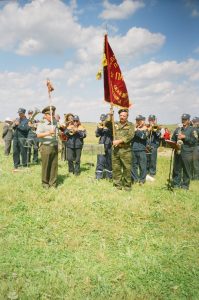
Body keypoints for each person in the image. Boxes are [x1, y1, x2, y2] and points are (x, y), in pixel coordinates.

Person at [171, 113, 198, 190]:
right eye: (182, 119)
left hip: (187, 153)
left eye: (185, 120)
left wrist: (185, 137)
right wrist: (173, 143)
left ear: (189, 120)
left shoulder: (193, 129)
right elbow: (173, 139)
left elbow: (194, 141)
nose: (183, 121)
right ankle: (176, 184)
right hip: (178, 152)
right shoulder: (178, 129)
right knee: (177, 169)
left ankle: (185, 186)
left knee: (186, 170)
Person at [112, 109, 134, 191]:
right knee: (116, 168)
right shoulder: (115, 124)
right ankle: (117, 186)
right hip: (115, 150)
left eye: (124, 116)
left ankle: (127, 186)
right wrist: (110, 115)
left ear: (127, 116)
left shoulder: (130, 125)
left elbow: (130, 136)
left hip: (126, 150)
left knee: (127, 168)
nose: (122, 117)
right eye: (121, 115)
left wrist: (119, 141)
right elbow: (107, 123)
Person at [36, 106, 58, 188]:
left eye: (53, 114)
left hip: (54, 146)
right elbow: (38, 135)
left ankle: (53, 184)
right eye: (50, 115)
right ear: (45, 115)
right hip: (45, 147)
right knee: (46, 166)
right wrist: (48, 133)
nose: (52, 116)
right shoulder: (42, 123)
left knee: (54, 166)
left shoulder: (55, 122)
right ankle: (45, 183)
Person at [95, 113, 113, 179]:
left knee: (109, 160)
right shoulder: (100, 126)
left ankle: (109, 176)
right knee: (100, 161)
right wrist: (100, 129)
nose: (102, 121)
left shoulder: (111, 126)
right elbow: (97, 135)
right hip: (100, 144)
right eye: (101, 120)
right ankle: (98, 176)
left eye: (103, 120)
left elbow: (113, 134)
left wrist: (107, 128)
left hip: (109, 145)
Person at [131, 115, 148, 185]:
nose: (138, 122)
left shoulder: (146, 129)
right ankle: (135, 179)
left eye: (139, 120)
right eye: (137, 120)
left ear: (143, 121)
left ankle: (142, 180)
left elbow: (143, 137)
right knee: (133, 165)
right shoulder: (134, 128)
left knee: (142, 166)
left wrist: (136, 131)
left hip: (141, 150)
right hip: (133, 149)